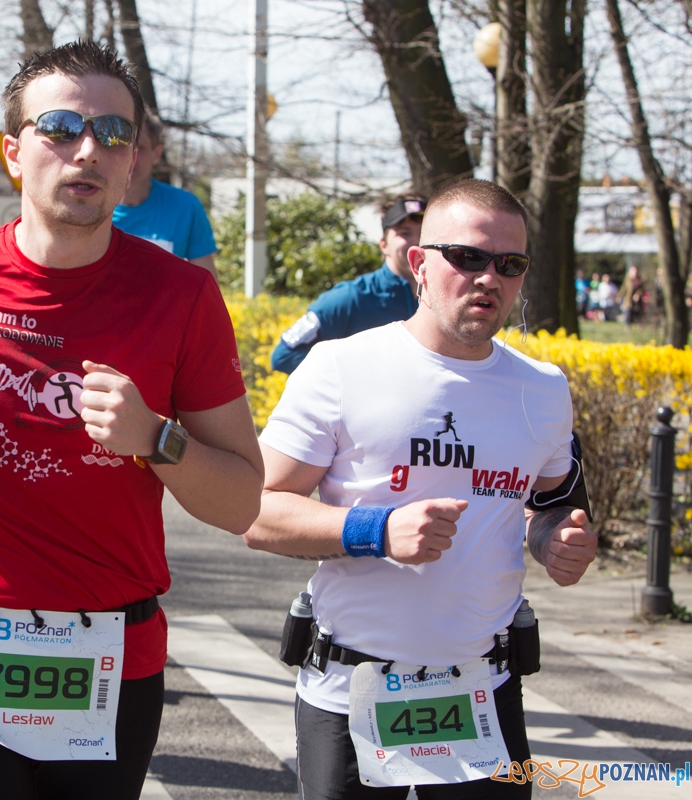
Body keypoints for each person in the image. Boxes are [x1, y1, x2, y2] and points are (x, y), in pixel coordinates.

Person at [0, 40, 264, 800]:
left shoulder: (181, 297)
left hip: (111, 651)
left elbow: (241, 498)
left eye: (113, 133)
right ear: (13, 151)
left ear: (132, 163)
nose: (87, 150)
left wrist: (155, 439)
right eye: (60, 128)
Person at [245, 179, 597, 800]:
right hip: (351, 689)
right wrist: (375, 530)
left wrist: (556, 540)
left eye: (510, 265)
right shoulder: (340, 367)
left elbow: (552, 505)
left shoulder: (542, 389)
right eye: (467, 257)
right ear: (419, 262)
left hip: (482, 694)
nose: (489, 278)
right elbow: (257, 514)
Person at [271, 195, 426, 374]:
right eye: (404, 233)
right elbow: (284, 356)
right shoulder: (350, 298)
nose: (416, 242)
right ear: (384, 245)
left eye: (423, 234)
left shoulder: (446, 298)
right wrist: (353, 379)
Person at [112, 111, 217, 276]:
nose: (130, 157)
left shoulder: (185, 207)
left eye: (139, 148)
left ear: (157, 153)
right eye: (121, 144)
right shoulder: (88, 205)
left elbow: (208, 288)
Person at [620, 264, 643, 329]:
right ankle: (627, 326)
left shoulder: (639, 279)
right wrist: (620, 296)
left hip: (637, 300)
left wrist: (638, 294)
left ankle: (640, 325)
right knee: (628, 312)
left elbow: (642, 289)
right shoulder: (627, 278)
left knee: (637, 311)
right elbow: (624, 287)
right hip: (629, 299)